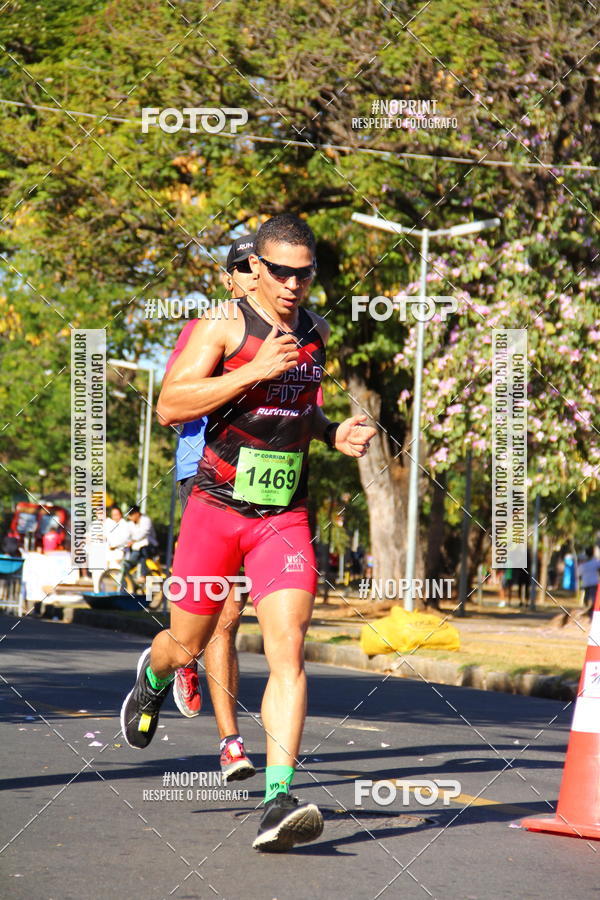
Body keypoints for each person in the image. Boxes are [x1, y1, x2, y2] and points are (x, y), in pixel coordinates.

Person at [120, 213, 376, 852]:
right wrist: (252, 369)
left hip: (283, 516)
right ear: (255, 270)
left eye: (304, 272)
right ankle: (152, 678)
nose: (293, 284)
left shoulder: (316, 331)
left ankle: (278, 797)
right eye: (281, 271)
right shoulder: (222, 326)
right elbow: (172, 404)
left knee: (288, 648)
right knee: (186, 643)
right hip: (214, 509)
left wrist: (330, 431)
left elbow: (296, 411)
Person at [167, 233, 259, 783]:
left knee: (232, 614)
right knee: (211, 617)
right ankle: (182, 658)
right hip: (204, 476)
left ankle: (231, 744)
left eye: (259, 267)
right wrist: (236, 380)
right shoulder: (209, 328)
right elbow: (174, 406)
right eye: (243, 269)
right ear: (229, 279)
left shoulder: (294, 334)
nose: (253, 277)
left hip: (265, 486)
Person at [124, 505, 158, 578]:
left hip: (150, 546)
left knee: (142, 552)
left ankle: (143, 575)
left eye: (131, 515)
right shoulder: (130, 524)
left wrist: (132, 541)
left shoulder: (146, 520)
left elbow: (143, 533)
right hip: (136, 548)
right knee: (131, 558)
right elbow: (127, 535)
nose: (129, 517)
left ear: (137, 514)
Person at [103, 505, 132, 571]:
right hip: (110, 551)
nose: (115, 516)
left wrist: (114, 546)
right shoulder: (110, 524)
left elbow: (124, 539)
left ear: (120, 514)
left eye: (116, 514)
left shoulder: (125, 525)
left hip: (121, 551)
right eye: (113, 515)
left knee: (116, 569)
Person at [579, 547, 600, 616]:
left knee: (587, 599)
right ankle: (591, 613)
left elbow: (578, 573)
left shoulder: (584, 564)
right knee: (593, 599)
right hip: (593, 583)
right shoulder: (596, 562)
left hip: (586, 584)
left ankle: (590, 612)